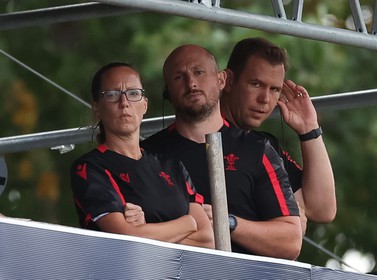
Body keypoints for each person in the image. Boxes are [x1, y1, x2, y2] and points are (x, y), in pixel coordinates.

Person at [138, 44, 302, 259]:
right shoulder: (146, 155)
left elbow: (290, 241)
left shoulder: (258, 149)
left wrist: (226, 221)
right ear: (167, 90)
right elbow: (133, 235)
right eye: (179, 76)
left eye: (199, 72)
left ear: (222, 80)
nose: (192, 83)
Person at [70, 62, 214, 249]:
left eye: (133, 93)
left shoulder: (172, 166)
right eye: (112, 95)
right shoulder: (90, 167)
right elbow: (128, 240)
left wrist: (146, 229)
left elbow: (207, 239)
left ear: (145, 105)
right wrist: (188, 223)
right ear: (96, 108)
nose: (124, 103)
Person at [220, 37, 336, 226]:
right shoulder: (199, 131)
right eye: (256, 84)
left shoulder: (264, 145)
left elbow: (322, 210)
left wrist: (309, 129)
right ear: (229, 81)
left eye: (274, 89)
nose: (265, 99)